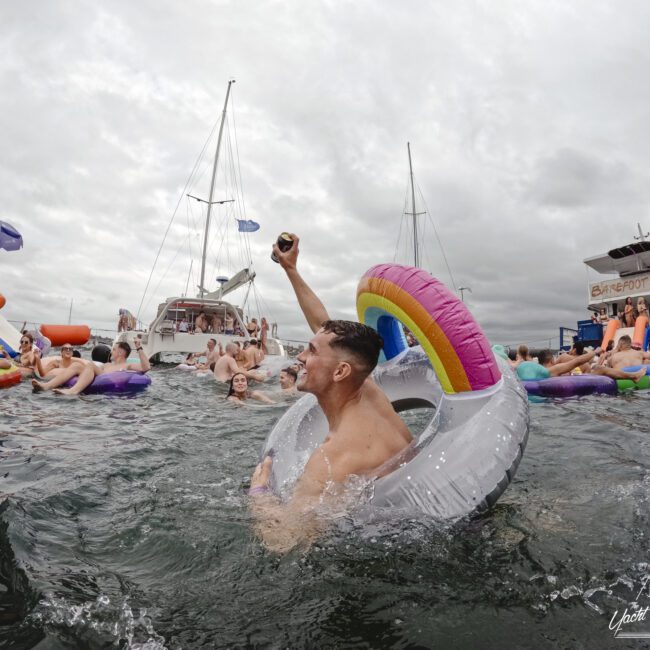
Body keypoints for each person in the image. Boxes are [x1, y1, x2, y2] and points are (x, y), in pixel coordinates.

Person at [249, 233, 412, 552]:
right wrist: (291, 270)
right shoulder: (367, 388)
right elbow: (323, 325)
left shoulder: (330, 460)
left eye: (310, 351)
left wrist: (259, 496)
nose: (300, 358)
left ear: (340, 372)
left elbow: (285, 541)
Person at [32, 340, 151, 395]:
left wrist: (139, 348)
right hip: (98, 376)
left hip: (106, 378)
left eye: (114, 350)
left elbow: (146, 367)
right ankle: (46, 386)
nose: (111, 352)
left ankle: (73, 391)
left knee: (89, 365)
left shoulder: (127, 365)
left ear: (120, 353)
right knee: (77, 365)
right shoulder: (108, 364)